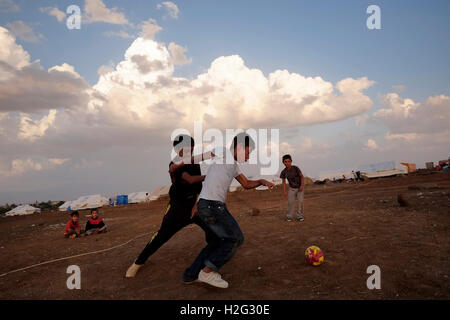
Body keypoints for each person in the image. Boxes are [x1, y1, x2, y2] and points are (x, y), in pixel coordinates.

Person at [186, 133, 275, 289]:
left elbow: (246, 184)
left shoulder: (234, 166)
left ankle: (191, 275)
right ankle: (207, 272)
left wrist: (261, 181)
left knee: (216, 241)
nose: (248, 156)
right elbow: (196, 158)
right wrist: (178, 164)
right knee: (235, 238)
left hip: (209, 205)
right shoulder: (221, 151)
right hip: (212, 206)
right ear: (239, 147)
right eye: (248, 152)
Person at [125, 134, 215, 282]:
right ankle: (138, 262)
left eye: (192, 150)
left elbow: (198, 187)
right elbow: (190, 179)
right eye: (187, 150)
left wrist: (196, 204)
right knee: (160, 237)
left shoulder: (195, 164)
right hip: (177, 209)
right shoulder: (173, 164)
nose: (190, 153)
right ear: (178, 150)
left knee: (214, 233)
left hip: (194, 206)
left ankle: (208, 264)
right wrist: (211, 174)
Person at [280, 154, 305, 222]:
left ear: (291, 161)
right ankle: (289, 216)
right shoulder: (283, 172)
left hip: (300, 187)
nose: (287, 163)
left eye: (289, 161)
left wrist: (301, 186)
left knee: (300, 202)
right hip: (291, 188)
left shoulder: (295, 168)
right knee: (290, 202)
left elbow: (301, 176)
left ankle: (300, 216)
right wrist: (285, 192)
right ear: (283, 162)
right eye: (285, 161)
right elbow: (284, 182)